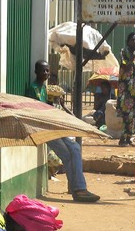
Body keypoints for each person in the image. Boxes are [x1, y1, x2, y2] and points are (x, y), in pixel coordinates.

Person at [27, 61, 99, 203]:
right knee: (66, 154)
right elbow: (34, 110)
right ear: (36, 72)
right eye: (43, 71)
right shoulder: (33, 88)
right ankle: (78, 189)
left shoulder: (44, 89)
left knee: (75, 148)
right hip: (42, 128)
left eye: (48, 71)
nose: (46, 74)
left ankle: (78, 188)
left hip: (52, 126)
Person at [117, 32, 135, 146]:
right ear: (128, 41)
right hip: (126, 88)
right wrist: (131, 57)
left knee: (134, 115)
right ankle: (123, 138)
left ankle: (129, 137)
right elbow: (125, 66)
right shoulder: (124, 52)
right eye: (132, 40)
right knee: (126, 114)